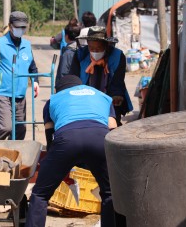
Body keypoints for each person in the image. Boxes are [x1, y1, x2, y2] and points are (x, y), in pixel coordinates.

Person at [26, 75, 118, 227]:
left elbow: (51, 139)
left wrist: (58, 167)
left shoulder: (53, 100)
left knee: (40, 194)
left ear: (60, 90)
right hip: (100, 139)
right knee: (110, 193)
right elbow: (113, 128)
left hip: (67, 140)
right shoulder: (102, 96)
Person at [0, 11, 39, 140]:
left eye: (23, 27)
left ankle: (11, 156)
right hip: (2, 92)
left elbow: (32, 66)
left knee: (20, 129)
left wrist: (35, 81)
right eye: (17, 27)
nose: (20, 30)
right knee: (6, 127)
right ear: (10, 25)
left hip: (20, 94)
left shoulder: (27, 45)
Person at [69, 26, 133, 126]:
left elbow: (118, 81)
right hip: (85, 98)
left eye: (98, 48)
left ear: (106, 45)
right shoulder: (80, 55)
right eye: (91, 48)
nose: (95, 51)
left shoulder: (117, 56)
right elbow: (73, 78)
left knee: (111, 125)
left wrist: (116, 96)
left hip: (110, 98)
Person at [55, 20, 81, 85]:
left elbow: (63, 73)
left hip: (68, 86)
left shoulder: (67, 53)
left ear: (66, 36)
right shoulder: (81, 50)